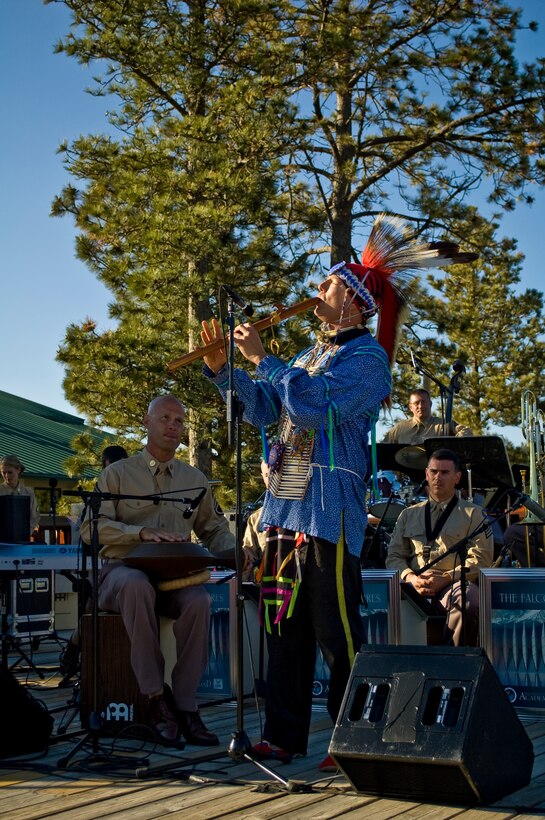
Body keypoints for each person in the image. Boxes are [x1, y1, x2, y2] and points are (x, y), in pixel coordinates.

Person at [80, 395, 235, 746]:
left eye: (179, 421)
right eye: (164, 418)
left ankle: (185, 705)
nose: (172, 425)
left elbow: (213, 529)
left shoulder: (195, 479)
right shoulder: (117, 474)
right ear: (146, 423)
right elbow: (91, 528)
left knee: (198, 600)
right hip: (121, 573)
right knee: (137, 585)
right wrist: (140, 532)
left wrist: (236, 550)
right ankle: (154, 699)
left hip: (173, 580)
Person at [385, 448, 493, 646]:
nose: (438, 477)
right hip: (412, 584)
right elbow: (394, 557)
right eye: (433, 472)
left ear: (457, 477)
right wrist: (410, 577)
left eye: (445, 473)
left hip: (453, 583)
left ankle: (452, 663)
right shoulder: (408, 515)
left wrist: (445, 578)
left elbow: (481, 560)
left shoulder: (474, 514)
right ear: (426, 474)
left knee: (469, 600)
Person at [59, 444, 130, 680]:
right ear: (104, 467)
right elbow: (88, 534)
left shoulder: (133, 491)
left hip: (128, 565)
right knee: (90, 608)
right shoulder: (99, 494)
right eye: (111, 467)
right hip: (100, 564)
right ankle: (76, 648)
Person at [382, 388, 473, 445]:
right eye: (416, 403)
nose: (421, 406)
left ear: (430, 404)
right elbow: (382, 447)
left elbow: (467, 431)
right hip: (405, 475)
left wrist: (453, 444)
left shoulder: (442, 424)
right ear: (410, 407)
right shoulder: (400, 427)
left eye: (424, 402)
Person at [0, 454, 40, 536]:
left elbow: (35, 517)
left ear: (18, 470)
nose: (7, 476)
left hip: (22, 538)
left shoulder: (29, 493)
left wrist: (26, 532)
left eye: (10, 472)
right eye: (3, 472)